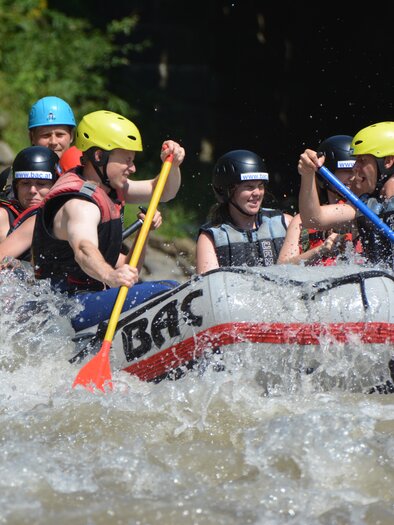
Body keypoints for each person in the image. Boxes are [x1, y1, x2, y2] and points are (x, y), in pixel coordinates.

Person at [31, 109, 185, 331]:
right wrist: (111, 276)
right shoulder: (80, 204)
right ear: (99, 156)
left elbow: (161, 191)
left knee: (170, 287)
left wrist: (174, 165)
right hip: (63, 309)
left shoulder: (110, 188)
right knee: (165, 292)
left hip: (88, 299)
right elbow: (84, 249)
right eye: (127, 160)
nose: (132, 168)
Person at [298, 122, 394, 268]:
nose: (355, 168)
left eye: (362, 160)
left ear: (388, 161)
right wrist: (307, 175)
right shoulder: (364, 205)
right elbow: (313, 219)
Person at [196, 149, 293, 274]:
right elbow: (209, 285)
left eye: (260, 186)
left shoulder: (285, 223)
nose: (257, 193)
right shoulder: (210, 237)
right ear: (227, 191)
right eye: (249, 187)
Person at [278, 135, 362, 265]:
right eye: (346, 171)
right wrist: (319, 251)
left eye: (355, 171)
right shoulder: (300, 222)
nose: (353, 177)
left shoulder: (363, 213)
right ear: (325, 178)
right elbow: (282, 268)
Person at [0, 96, 76, 196]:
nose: (53, 141)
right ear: (32, 137)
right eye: (46, 135)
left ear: (71, 136)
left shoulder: (85, 173)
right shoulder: (10, 177)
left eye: (59, 135)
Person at [0, 146, 59, 251]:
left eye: (41, 183)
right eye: (25, 183)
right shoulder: (3, 216)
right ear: (16, 187)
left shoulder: (63, 215)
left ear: (55, 185)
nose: (32, 190)